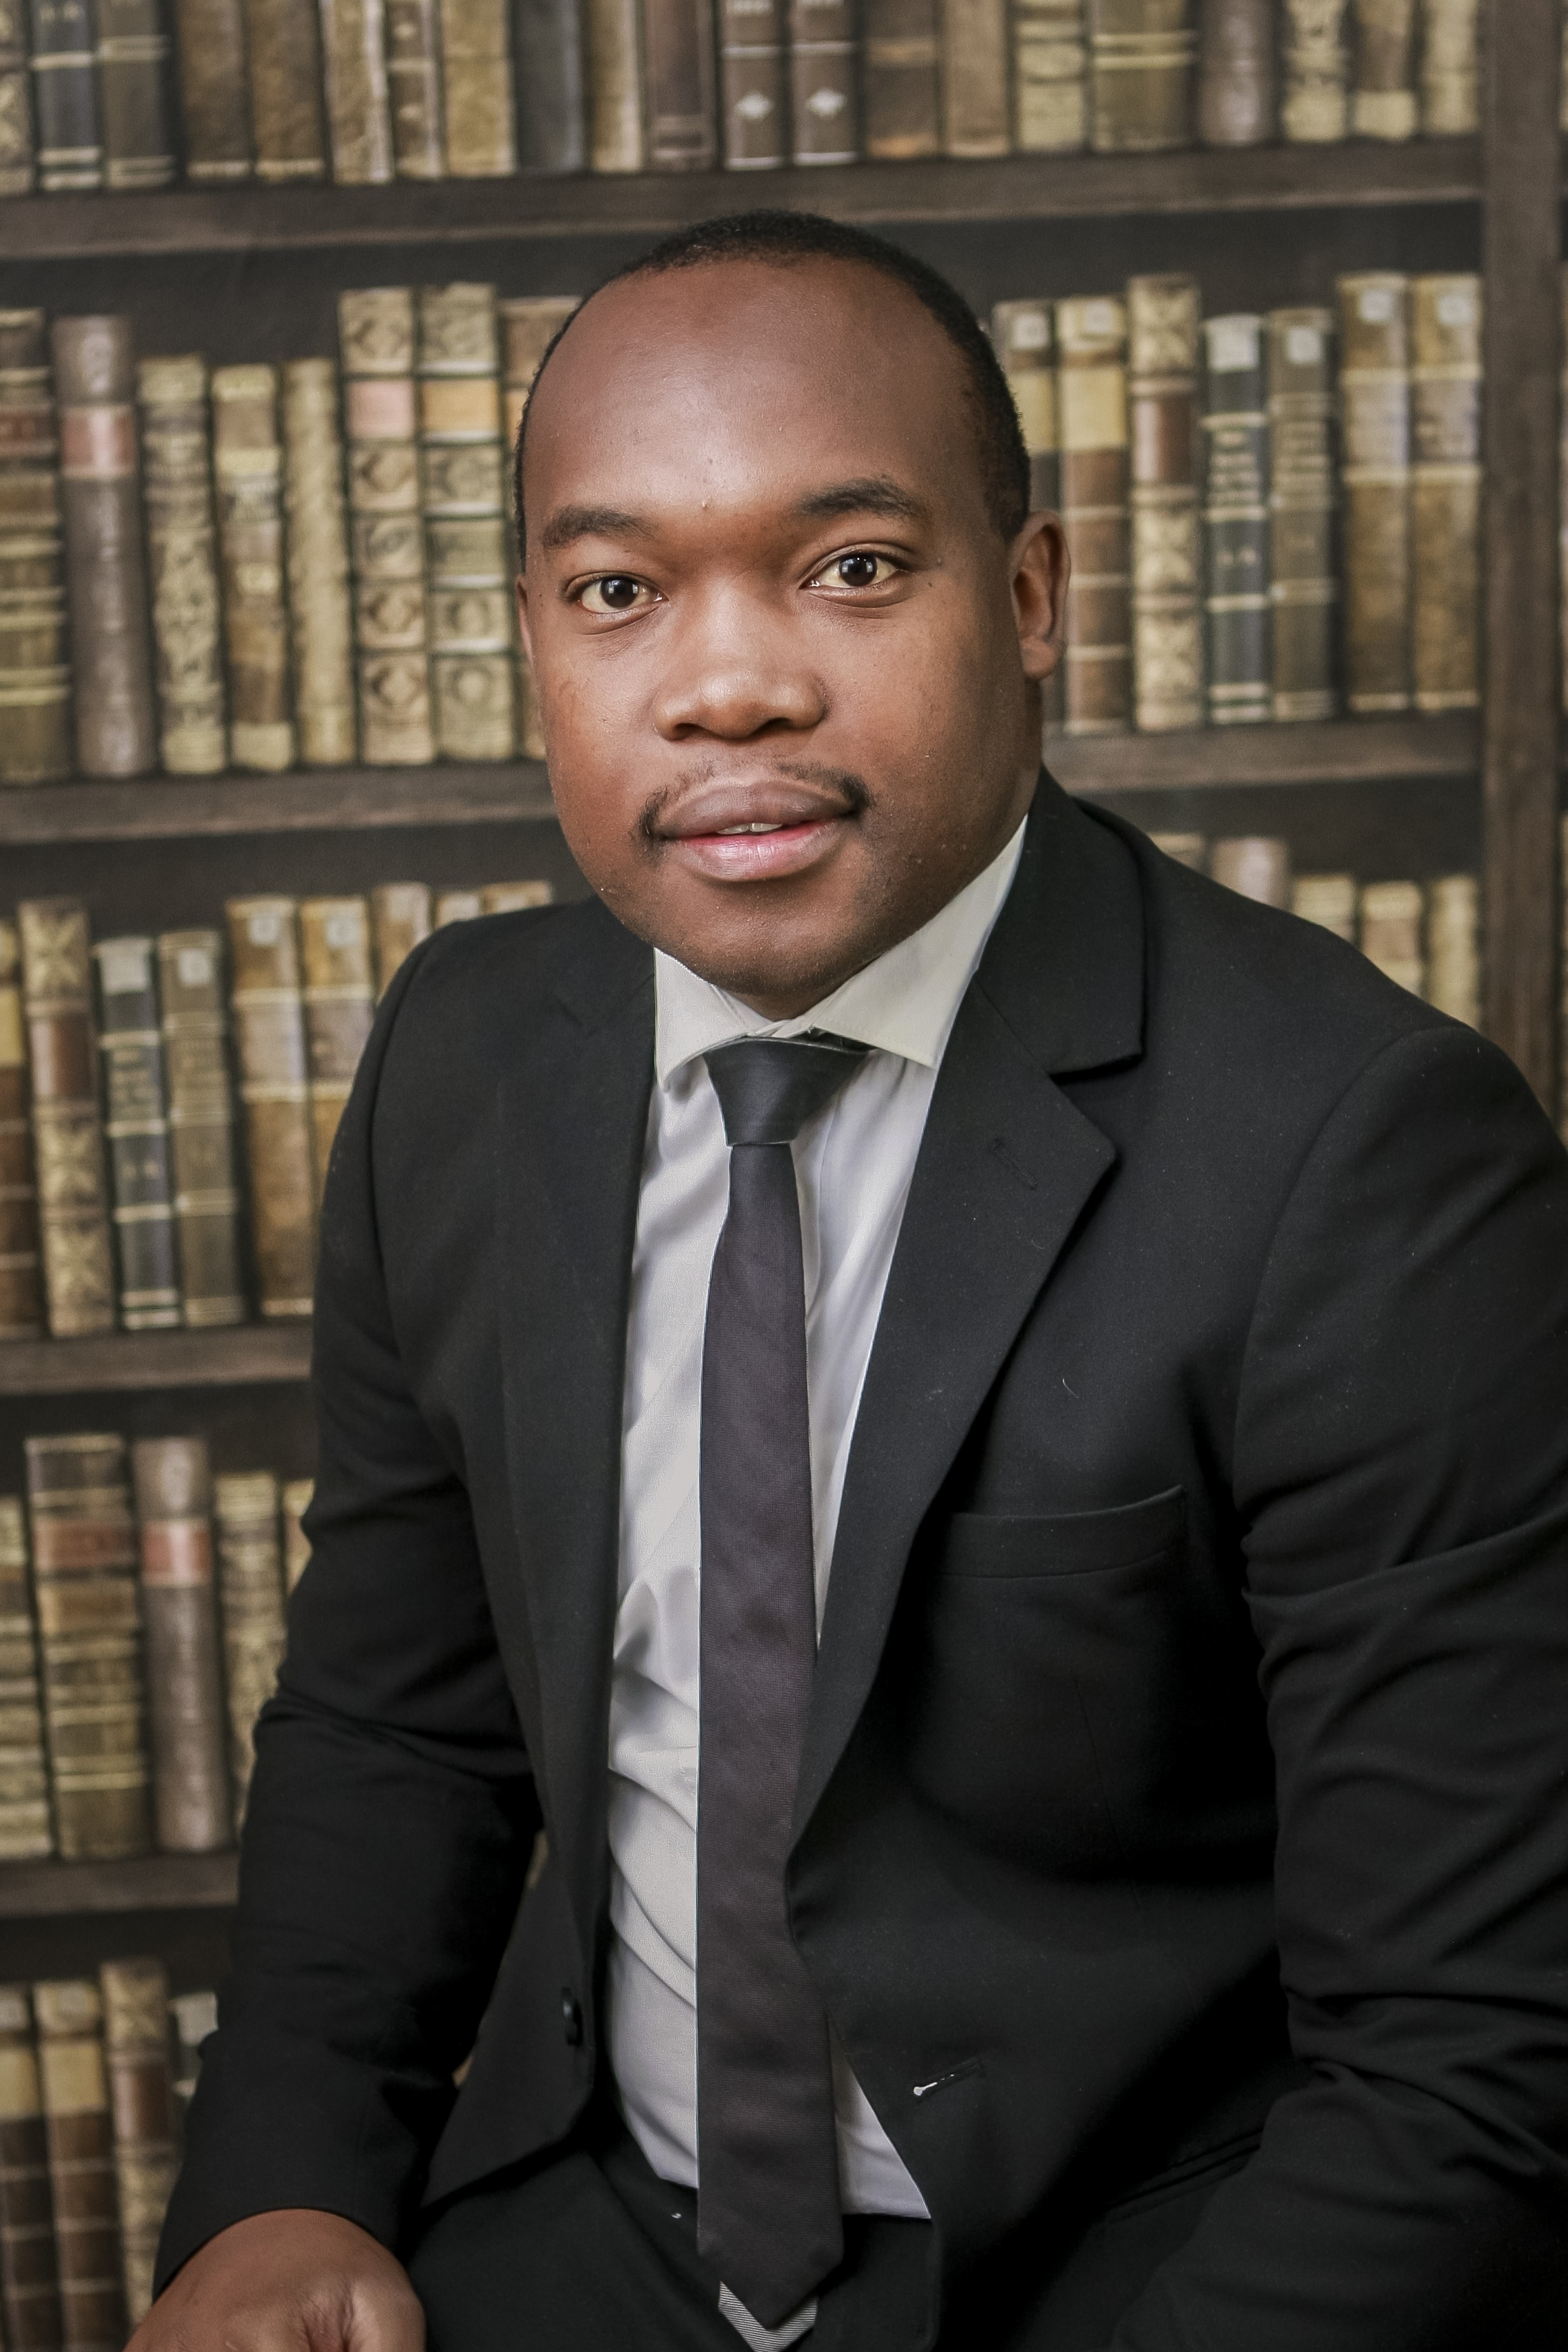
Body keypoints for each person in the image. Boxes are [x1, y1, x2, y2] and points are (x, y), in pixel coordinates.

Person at [142, 211, 1568, 2352]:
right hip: (598, 2227)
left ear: (1030, 596)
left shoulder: (1361, 1152)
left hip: (1130, 2259)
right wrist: (276, 2189)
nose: (728, 684)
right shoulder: (464, 1056)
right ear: (534, 637)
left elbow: (1474, 2057)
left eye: (851, 566)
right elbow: (393, 1720)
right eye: (617, 591)